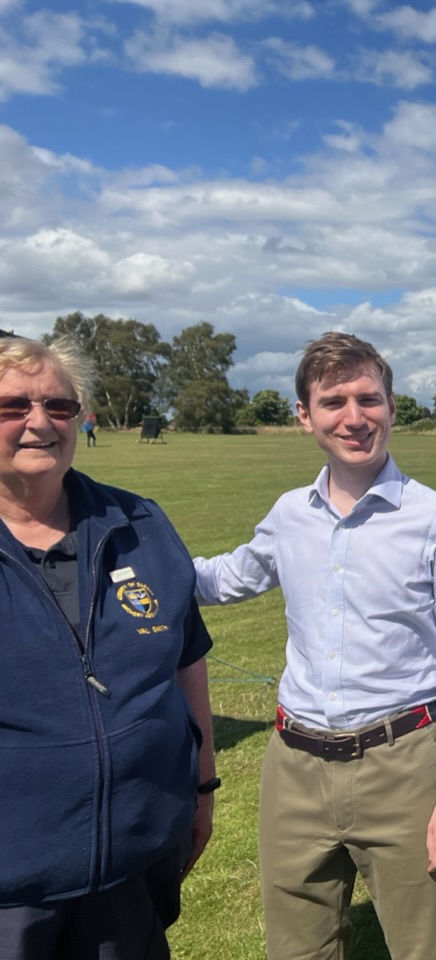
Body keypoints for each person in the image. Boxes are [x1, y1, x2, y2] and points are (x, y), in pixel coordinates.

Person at [193, 332, 436, 960]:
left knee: (426, 949)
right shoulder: (288, 514)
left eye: (369, 399)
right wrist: (141, 560)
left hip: (402, 763)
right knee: (297, 949)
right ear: (305, 415)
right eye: (333, 402)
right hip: (294, 765)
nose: (354, 418)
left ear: (392, 405)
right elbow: (226, 579)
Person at [0, 337, 216, 959]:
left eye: (59, 406)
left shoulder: (139, 523)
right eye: (13, 406)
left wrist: (201, 788)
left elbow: (186, 658)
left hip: (134, 868)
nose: (40, 422)